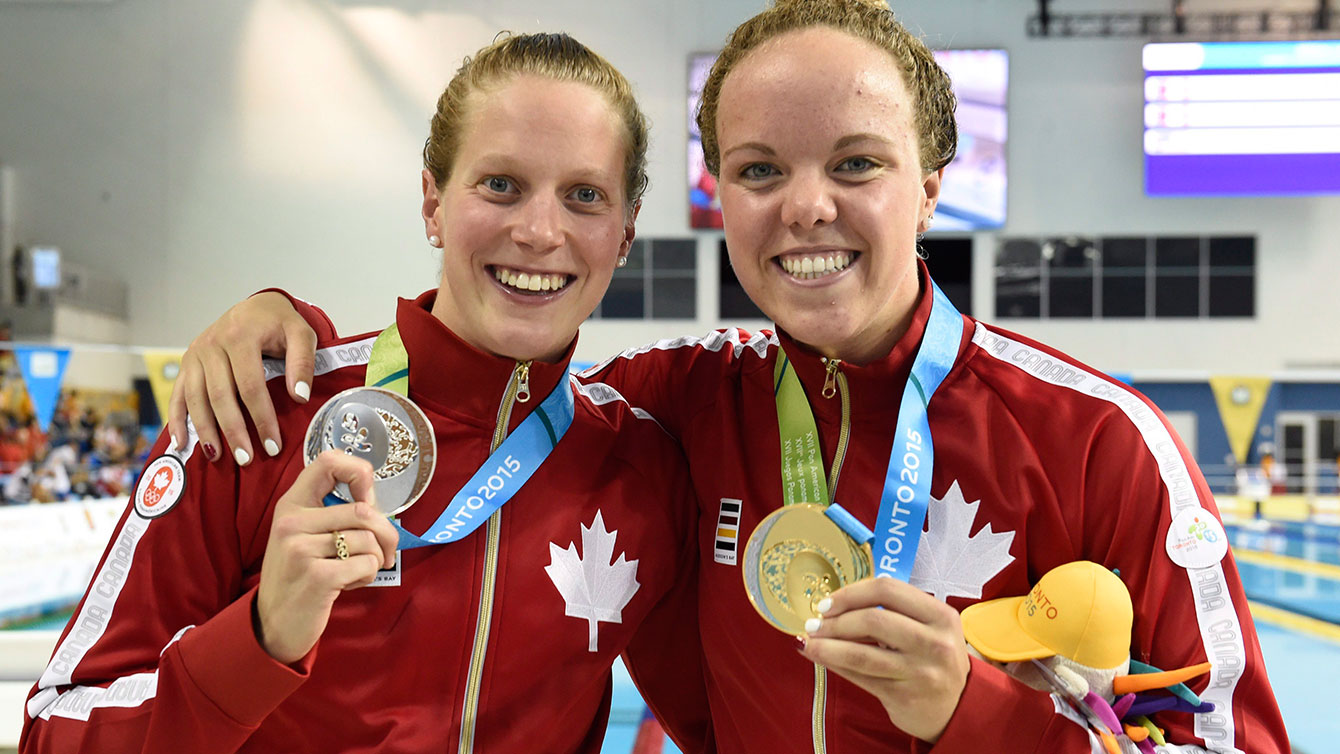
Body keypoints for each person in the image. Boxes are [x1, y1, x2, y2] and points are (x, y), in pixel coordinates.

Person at [163, 1, 1290, 752]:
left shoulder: (1098, 440)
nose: (806, 206)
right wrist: (290, 332)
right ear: (718, 198)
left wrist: (979, 713)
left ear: (931, 185)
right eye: (759, 170)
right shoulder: (675, 408)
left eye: (856, 163)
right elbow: (487, 376)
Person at [20, 33, 709, 754]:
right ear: (433, 203)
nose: (540, 231)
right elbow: (54, 732)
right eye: (500, 184)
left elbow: (729, 720)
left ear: (624, 235)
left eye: (585, 196)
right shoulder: (259, 411)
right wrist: (258, 639)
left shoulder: (643, 472)